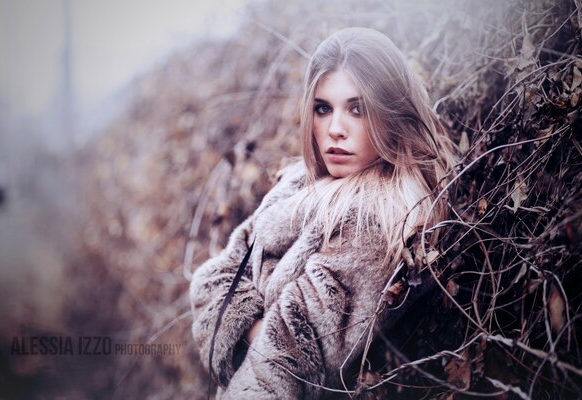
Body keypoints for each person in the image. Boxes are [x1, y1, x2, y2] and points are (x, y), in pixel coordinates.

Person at [189, 27, 457, 399]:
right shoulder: (298, 186)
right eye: (323, 108)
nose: (335, 130)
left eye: (357, 109)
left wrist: (249, 330)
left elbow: (285, 368)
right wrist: (257, 330)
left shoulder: (378, 221)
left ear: (391, 113)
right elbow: (214, 281)